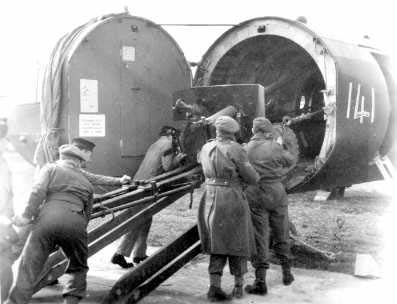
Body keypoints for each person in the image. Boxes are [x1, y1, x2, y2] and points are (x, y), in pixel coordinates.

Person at [6, 139, 130, 304]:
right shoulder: (86, 182)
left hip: (46, 220)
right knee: (78, 267)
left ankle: (15, 302)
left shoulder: (51, 168)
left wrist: (26, 216)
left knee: (29, 266)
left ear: (61, 158)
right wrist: (74, 233)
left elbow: (37, 191)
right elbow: (87, 213)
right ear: (78, 162)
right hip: (76, 224)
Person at [197, 116, 259, 301]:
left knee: (217, 243)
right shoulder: (235, 148)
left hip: (210, 197)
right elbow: (252, 177)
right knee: (237, 242)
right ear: (232, 132)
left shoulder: (206, 147)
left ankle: (214, 287)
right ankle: (238, 287)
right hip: (231, 198)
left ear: (217, 131)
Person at [111, 126, 186, 268]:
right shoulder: (168, 145)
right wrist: (178, 160)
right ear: (172, 136)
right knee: (138, 219)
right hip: (148, 186)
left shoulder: (155, 144)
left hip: (140, 182)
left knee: (146, 219)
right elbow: (167, 167)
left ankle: (139, 254)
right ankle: (119, 254)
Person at [244, 117, 296, 295]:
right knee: (282, 231)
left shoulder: (246, 148)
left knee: (260, 236)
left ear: (253, 130)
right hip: (277, 191)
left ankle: (260, 282)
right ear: (268, 132)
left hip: (256, 193)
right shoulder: (275, 146)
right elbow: (290, 161)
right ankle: (287, 273)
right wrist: (281, 145)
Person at [0, 118, 17, 302]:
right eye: (3, 139)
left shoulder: (3, 161)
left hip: (3, 222)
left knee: (5, 265)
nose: (6, 143)